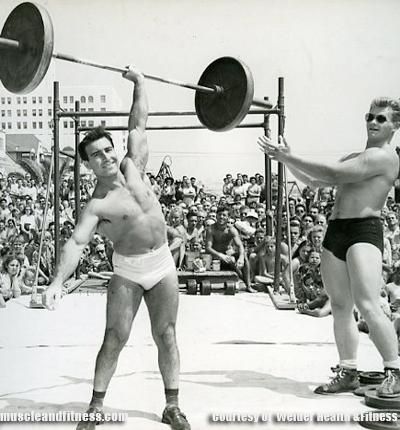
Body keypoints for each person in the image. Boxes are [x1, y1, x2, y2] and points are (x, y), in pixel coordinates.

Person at [43, 67, 190, 430]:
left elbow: (137, 126)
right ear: (88, 163)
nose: (107, 157)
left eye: (108, 149)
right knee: (114, 338)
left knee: (167, 334)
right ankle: (95, 408)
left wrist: (141, 83)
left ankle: (172, 407)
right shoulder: (96, 206)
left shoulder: (134, 165)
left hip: (161, 264)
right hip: (127, 270)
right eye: (96, 155)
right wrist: (57, 282)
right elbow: (76, 242)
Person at [258, 97, 400, 397]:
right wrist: (286, 160)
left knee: (369, 305)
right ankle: (348, 371)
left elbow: (333, 174)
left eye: (381, 119)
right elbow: (315, 182)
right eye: (370, 116)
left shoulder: (385, 159)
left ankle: (394, 370)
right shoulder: (357, 156)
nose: (373, 122)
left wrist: (290, 155)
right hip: (336, 231)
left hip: (363, 230)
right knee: (339, 307)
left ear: (395, 126)